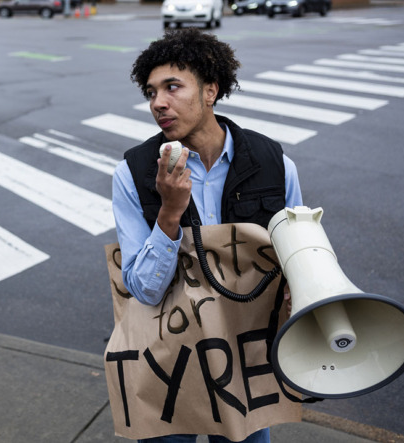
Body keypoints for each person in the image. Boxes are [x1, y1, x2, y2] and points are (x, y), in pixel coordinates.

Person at [111, 29, 303, 443]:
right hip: (171, 359)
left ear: (211, 90)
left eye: (172, 87)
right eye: (150, 92)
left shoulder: (274, 163)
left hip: (244, 356)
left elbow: (299, 255)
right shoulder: (134, 172)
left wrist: (296, 284)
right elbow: (142, 289)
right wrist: (170, 212)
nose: (157, 103)